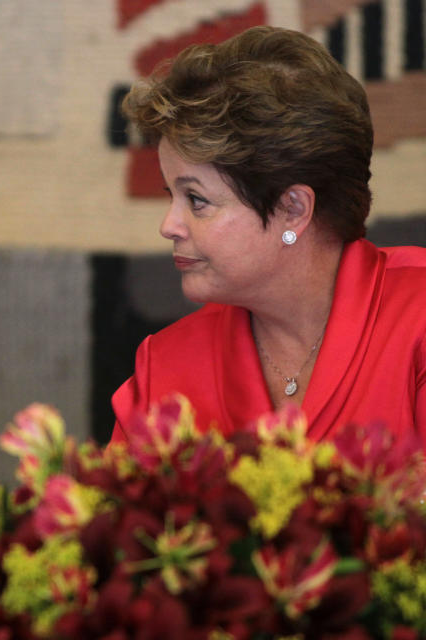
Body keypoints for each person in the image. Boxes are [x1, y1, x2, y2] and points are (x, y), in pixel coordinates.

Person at [110, 26, 426, 443]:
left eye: (197, 200)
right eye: (173, 195)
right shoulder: (163, 367)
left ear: (293, 209)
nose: (169, 226)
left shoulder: (417, 319)